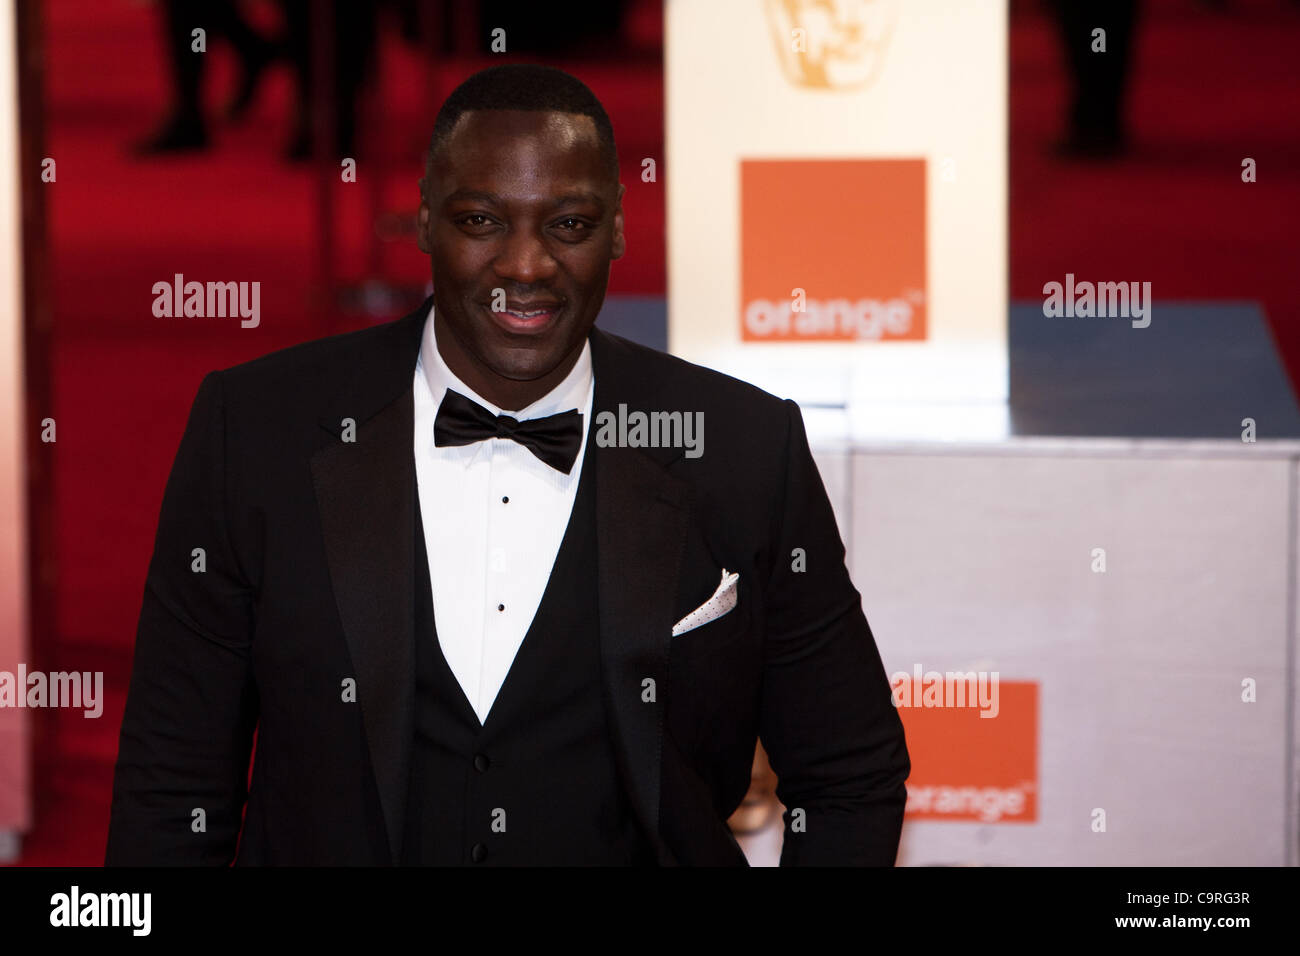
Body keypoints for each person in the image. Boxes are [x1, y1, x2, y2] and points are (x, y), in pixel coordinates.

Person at [105, 64, 910, 866]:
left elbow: (850, 772)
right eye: (482, 220)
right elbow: (174, 789)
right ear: (423, 218)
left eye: (568, 225)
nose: (526, 267)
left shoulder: (738, 445)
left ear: (620, 230)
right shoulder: (256, 431)